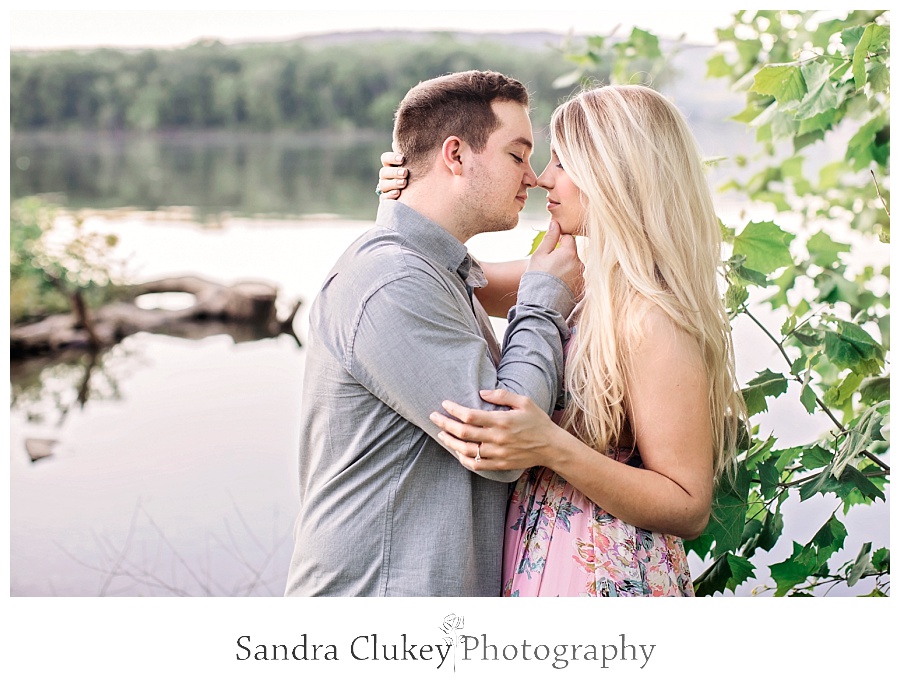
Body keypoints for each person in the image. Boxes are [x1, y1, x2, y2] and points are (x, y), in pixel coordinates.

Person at [377, 84, 747, 597]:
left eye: (563, 164)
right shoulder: (581, 280)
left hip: (606, 578)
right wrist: (409, 193)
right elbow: (454, 273)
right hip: (540, 556)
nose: (543, 178)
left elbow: (689, 506)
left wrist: (553, 447)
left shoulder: (653, 315)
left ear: (616, 176)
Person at [283, 70, 583, 597]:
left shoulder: (436, 269)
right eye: (518, 155)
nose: (533, 178)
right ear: (455, 155)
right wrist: (541, 301)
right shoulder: (393, 282)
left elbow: (522, 277)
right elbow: (501, 437)